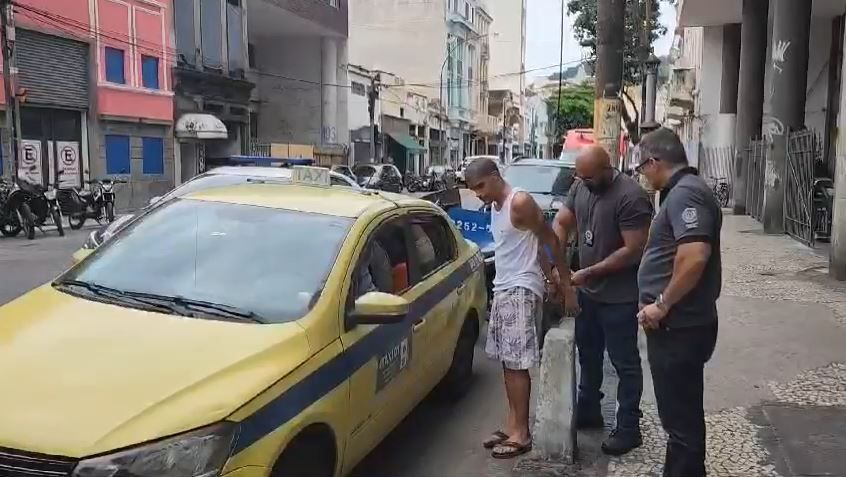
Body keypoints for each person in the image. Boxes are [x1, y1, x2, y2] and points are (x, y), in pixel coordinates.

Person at [464, 158, 576, 459]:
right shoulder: (497, 208)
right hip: (503, 286)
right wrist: (548, 275)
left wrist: (564, 284)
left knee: (516, 364)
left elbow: (550, 239)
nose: (479, 194)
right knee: (506, 362)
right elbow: (534, 246)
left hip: (520, 288)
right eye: (474, 190)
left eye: (481, 186)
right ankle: (513, 423)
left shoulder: (520, 201)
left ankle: (522, 433)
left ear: (495, 177)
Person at [551, 145, 653, 455]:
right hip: (589, 295)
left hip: (620, 297)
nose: (583, 182)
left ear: (608, 169)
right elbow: (562, 221)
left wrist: (589, 272)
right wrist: (558, 260)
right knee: (588, 355)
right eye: (579, 177)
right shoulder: (581, 185)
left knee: (625, 363)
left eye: (589, 177)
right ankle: (589, 409)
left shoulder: (631, 196)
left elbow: (634, 249)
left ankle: (628, 426)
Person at [635, 128, 722, 477]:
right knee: (677, 417)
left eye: (642, 167)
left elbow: (696, 255)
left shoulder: (687, 194)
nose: (642, 174)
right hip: (678, 325)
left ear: (655, 162)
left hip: (679, 325)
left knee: (681, 420)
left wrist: (662, 303)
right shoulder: (681, 192)